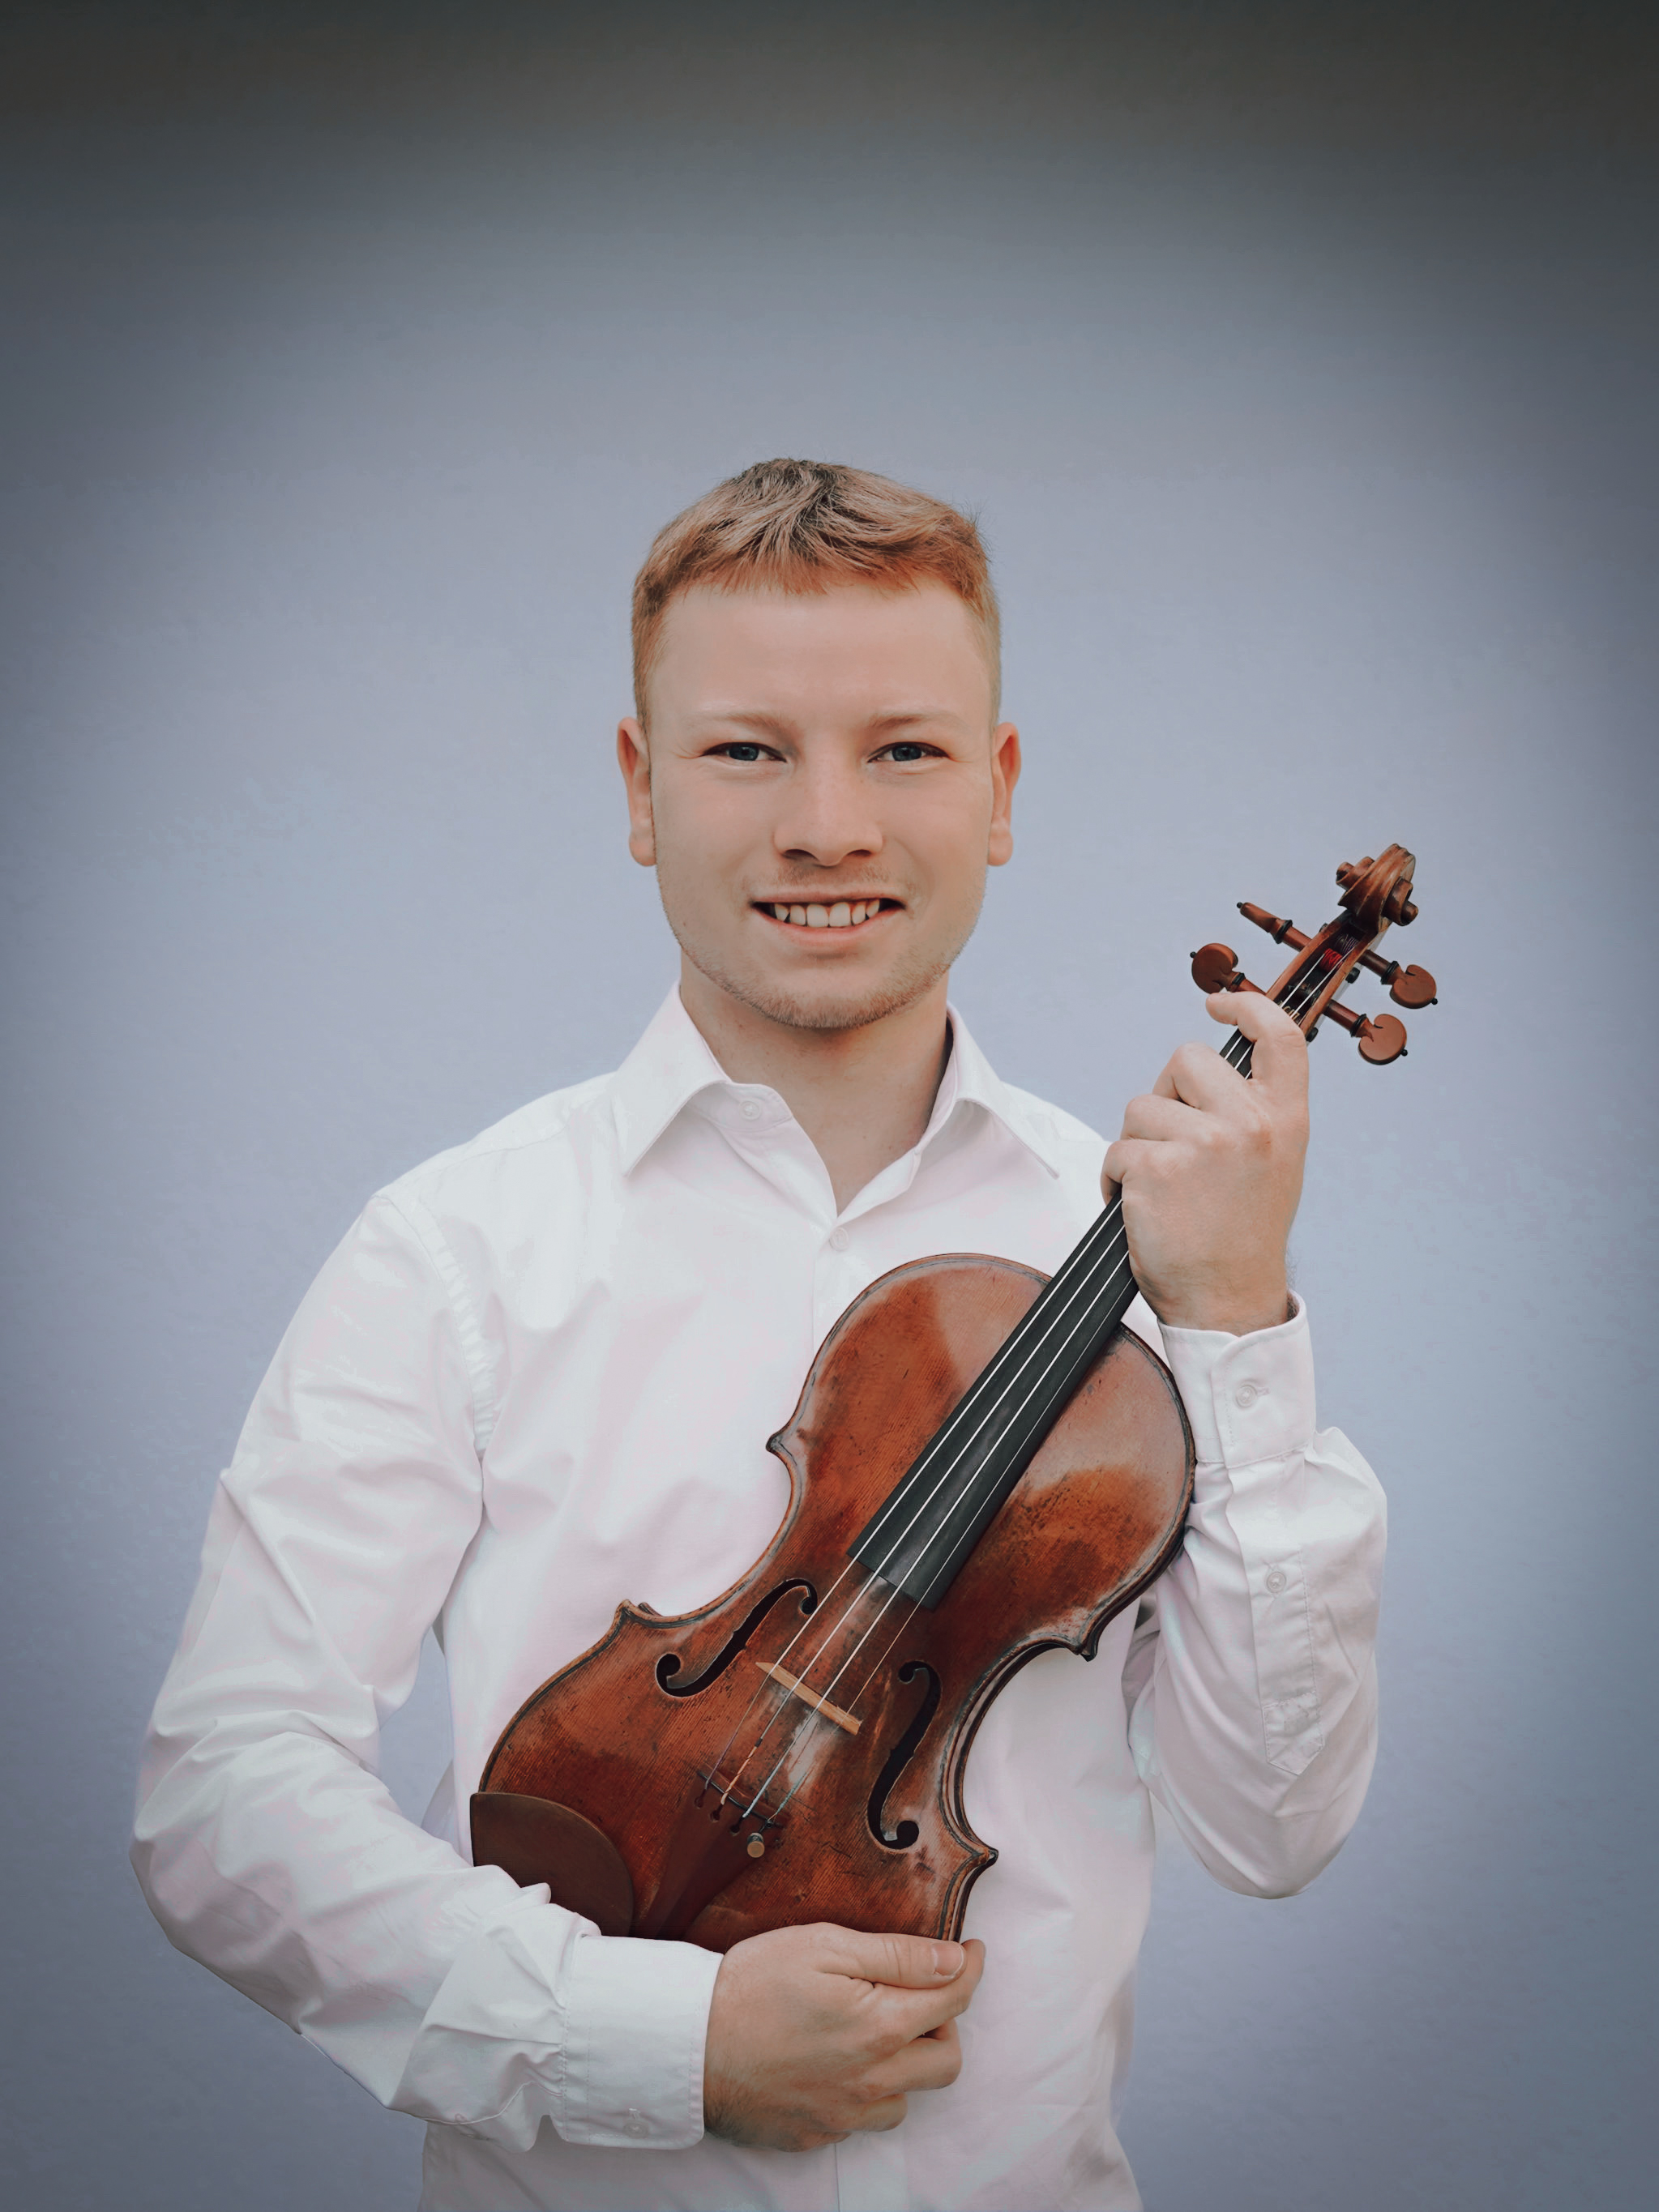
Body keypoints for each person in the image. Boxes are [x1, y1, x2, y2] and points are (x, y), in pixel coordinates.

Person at [133, 459, 1386, 2212]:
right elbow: (228, 1798)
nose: (827, 825)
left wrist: (1239, 1318)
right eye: (744, 750)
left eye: (905, 749)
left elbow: (1276, 1825)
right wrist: (661, 2037)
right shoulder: (459, 1248)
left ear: (1000, 789)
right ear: (639, 788)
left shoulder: (1172, 1264)